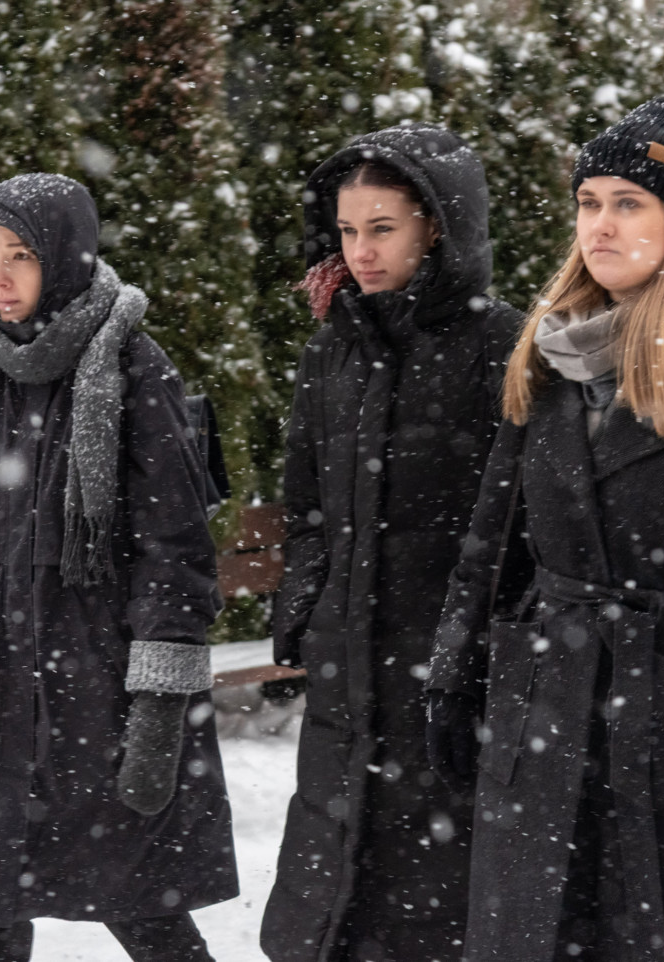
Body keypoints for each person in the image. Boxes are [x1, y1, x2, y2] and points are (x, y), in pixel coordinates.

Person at [425, 96, 664, 962]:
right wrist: (454, 675)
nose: (600, 225)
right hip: (541, 711)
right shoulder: (550, 351)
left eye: (629, 204)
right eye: (589, 202)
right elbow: (492, 542)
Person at [0, 173, 237, 962]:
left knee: (142, 904)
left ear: (65, 257)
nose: (1, 276)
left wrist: (159, 704)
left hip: (98, 687)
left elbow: (176, 546)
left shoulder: (134, 369)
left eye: (22, 255)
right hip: (1, 685)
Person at [260, 125, 523, 962]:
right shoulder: (332, 349)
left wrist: (473, 649)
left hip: (448, 674)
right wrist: (308, 604)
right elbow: (306, 501)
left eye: (382, 229)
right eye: (347, 231)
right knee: (328, 903)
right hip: (346, 673)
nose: (360, 252)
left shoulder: (502, 347)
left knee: (435, 906)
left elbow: (519, 522)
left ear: (436, 227)